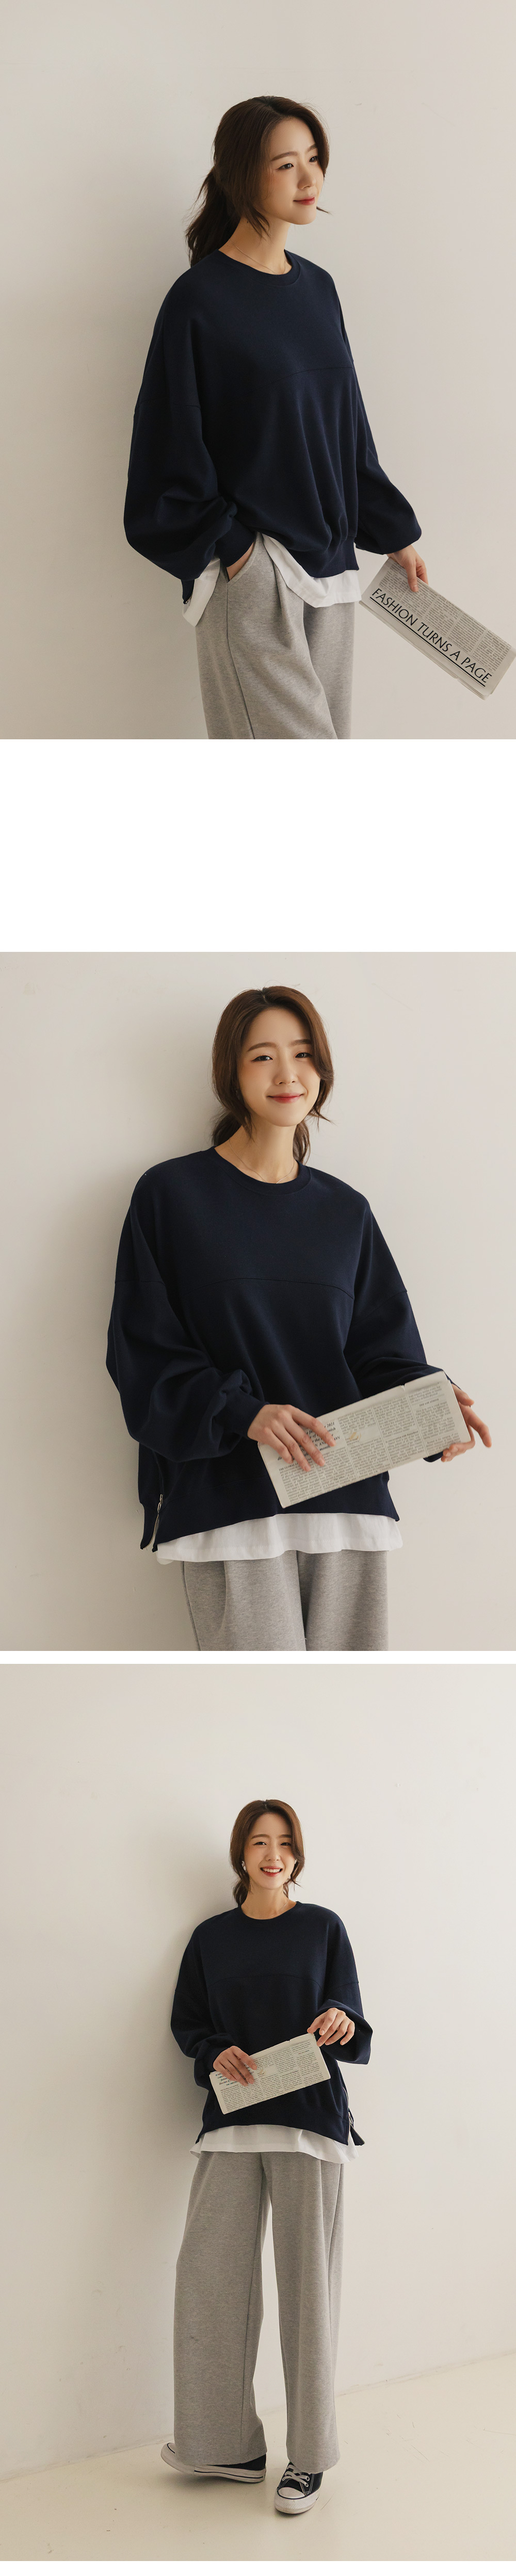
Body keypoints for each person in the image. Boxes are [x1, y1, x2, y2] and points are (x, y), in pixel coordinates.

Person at [106, 983, 491, 1653]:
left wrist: (435, 1405)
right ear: (230, 1072)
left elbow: (380, 1351)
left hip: (346, 1497)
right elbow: (142, 1349)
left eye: (304, 1054)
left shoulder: (346, 1212)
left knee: (346, 1705)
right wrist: (244, 1411)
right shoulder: (171, 1196)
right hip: (231, 1500)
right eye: (263, 1056)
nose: (288, 1073)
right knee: (257, 1702)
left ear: (322, 1068)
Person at [123, 93, 428, 739]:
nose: (309, 178)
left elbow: (343, 428)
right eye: (286, 165)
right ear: (242, 175)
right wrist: (238, 553)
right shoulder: (198, 302)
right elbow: (167, 446)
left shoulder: (318, 288)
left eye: (313, 159)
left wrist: (392, 531)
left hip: (333, 574)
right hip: (256, 578)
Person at [163, 1797, 372, 2515]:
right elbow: (189, 2024)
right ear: (241, 1854)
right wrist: (211, 2050)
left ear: (297, 1854)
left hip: (309, 2124)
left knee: (308, 2295)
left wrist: (342, 2018)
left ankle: (309, 2457)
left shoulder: (323, 1928)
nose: (272, 1853)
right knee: (208, 2281)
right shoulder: (211, 1938)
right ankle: (225, 2444)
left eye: (283, 1842)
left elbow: (350, 2016)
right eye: (258, 1841)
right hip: (232, 2121)